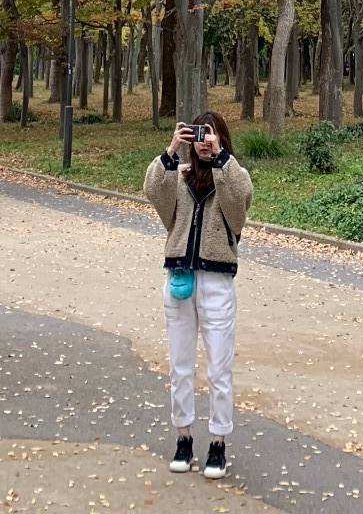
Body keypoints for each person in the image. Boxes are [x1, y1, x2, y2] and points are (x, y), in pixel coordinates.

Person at [143, 110, 252, 481]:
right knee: (180, 366)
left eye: (212, 135)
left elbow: (238, 206)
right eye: (199, 135)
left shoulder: (233, 175)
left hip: (217, 282)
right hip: (180, 280)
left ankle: (218, 442)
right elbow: (154, 192)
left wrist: (221, 158)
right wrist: (171, 151)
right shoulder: (179, 177)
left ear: (222, 138)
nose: (205, 141)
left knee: (219, 369)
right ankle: (184, 438)